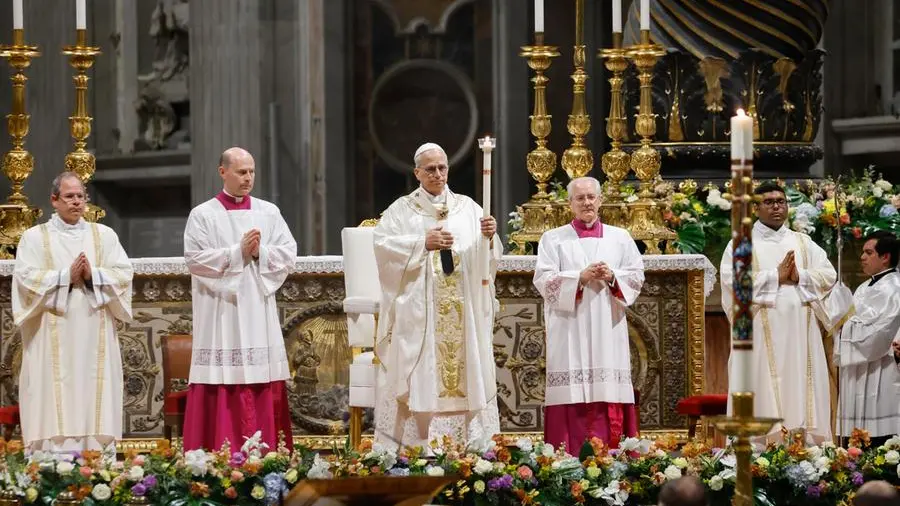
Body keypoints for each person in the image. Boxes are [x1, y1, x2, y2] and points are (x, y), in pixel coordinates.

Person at [373, 142, 501, 450]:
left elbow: (486, 260)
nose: (438, 173)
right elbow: (383, 247)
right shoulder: (400, 211)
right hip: (420, 310)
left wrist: (489, 236)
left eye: (442, 167)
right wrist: (422, 243)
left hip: (462, 307)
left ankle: (469, 442)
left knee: (465, 368)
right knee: (422, 370)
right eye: (430, 169)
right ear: (417, 172)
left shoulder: (469, 208)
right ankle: (418, 443)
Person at [183, 147, 297, 451]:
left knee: (260, 375)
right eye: (241, 172)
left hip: (257, 309)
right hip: (220, 312)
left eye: (252, 171)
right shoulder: (203, 214)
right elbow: (194, 260)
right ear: (223, 172)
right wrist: (238, 253)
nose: (248, 178)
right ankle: (217, 451)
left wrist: (260, 252)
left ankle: (269, 453)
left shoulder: (268, 212)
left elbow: (288, 253)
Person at [13, 172, 133, 455]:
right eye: (69, 196)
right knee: (55, 394)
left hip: (95, 327)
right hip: (50, 331)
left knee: (95, 389)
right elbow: (26, 279)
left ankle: (97, 457)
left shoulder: (104, 236)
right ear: (54, 200)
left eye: (81, 196)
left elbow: (123, 273)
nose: (76, 202)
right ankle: (50, 462)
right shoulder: (34, 237)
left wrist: (94, 276)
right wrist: (67, 276)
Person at [533, 176, 644, 453]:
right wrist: (579, 278)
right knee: (571, 387)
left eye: (591, 197)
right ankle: (565, 453)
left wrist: (612, 276)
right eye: (580, 198)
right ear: (570, 203)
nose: (587, 203)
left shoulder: (621, 238)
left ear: (600, 200)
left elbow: (636, 276)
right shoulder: (553, 239)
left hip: (608, 325)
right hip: (569, 327)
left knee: (607, 387)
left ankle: (614, 452)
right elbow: (543, 280)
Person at [720, 182, 837, 443]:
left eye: (781, 201)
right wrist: (775, 276)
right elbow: (733, 282)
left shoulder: (803, 243)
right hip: (760, 333)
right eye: (769, 202)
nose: (776, 206)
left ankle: (806, 444)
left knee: (801, 384)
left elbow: (829, 275)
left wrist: (799, 276)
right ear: (756, 207)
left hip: (801, 334)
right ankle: (761, 447)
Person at [835, 231, 900, 447]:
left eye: (868, 252)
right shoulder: (864, 287)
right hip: (858, 369)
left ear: (885, 257)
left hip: (883, 367)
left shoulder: (894, 288)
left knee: (879, 440)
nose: (862, 257)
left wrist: (845, 325)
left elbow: (882, 330)